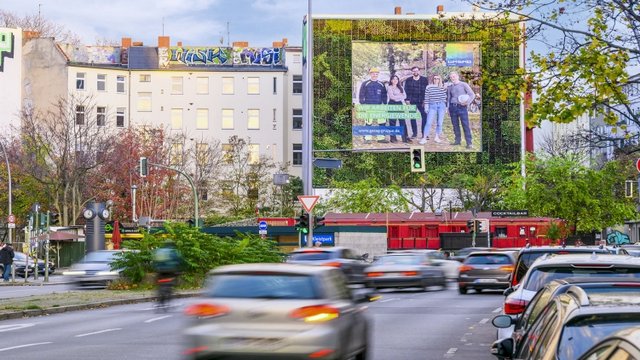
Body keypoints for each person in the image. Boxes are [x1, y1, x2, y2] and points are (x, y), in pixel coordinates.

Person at [446, 71, 475, 149]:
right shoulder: (450, 87)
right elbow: (448, 99)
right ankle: (457, 141)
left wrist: (467, 103)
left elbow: (472, 94)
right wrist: (448, 109)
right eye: (451, 77)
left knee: (465, 125)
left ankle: (469, 143)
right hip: (452, 107)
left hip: (462, 108)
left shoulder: (464, 84)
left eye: (454, 76)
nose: (453, 78)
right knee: (455, 125)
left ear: (457, 76)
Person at [358, 67, 388, 143]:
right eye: (373, 73)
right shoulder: (365, 83)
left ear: (378, 74)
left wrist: (384, 104)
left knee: (382, 122)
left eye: (376, 73)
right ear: (370, 74)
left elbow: (384, 94)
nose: (375, 75)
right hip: (369, 106)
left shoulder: (381, 84)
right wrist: (362, 103)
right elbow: (361, 94)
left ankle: (381, 138)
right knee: (368, 122)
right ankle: (367, 139)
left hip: (379, 106)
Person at [153, 240, 183, 310]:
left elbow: (154, 261)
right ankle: (171, 289)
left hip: (160, 271)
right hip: (170, 271)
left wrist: (156, 269)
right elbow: (179, 261)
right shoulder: (173, 251)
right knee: (173, 280)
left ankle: (159, 296)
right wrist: (180, 270)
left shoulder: (159, 251)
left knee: (159, 283)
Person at [420, 74, 448, 144]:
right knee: (428, 122)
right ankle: (424, 138)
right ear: (433, 79)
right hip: (432, 105)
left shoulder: (442, 87)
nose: (436, 80)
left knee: (440, 123)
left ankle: (437, 137)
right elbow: (426, 97)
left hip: (441, 105)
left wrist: (446, 107)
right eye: (435, 78)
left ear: (440, 80)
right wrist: (426, 106)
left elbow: (445, 97)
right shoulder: (429, 87)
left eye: (438, 79)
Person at [402, 66, 429, 139]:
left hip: (422, 101)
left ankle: (424, 133)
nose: (415, 72)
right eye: (414, 71)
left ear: (419, 71)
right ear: (412, 72)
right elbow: (406, 90)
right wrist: (406, 100)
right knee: (412, 117)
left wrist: (425, 100)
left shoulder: (424, 80)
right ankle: (414, 133)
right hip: (411, 101)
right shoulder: (408, 80)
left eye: (417, 71)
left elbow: (427, 90)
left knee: (424, 117)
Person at [386, 74, 410, 144]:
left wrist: (397, 96)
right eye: (393, 79)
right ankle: (393, 138)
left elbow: (405, 96)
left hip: (400, 105)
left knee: (402, 121)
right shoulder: (389, 87)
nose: (395, 80)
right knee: (392, 121)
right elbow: (392, 97)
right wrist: (399, 96)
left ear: (398, 80)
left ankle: (405, 138)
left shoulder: (401, 87)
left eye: (396, 79)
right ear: (391, 80)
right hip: (392, 104)